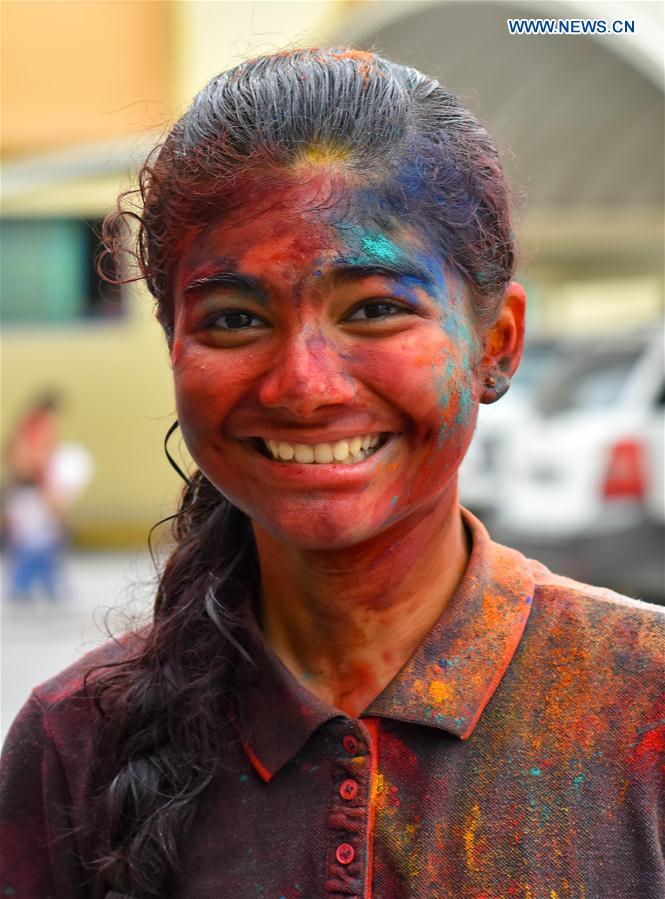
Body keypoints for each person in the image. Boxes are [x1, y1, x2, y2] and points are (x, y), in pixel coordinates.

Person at [0, 48, 662, 899]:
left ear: (496, 342)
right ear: (174, 347)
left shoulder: (641, 710)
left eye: (377, 308)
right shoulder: (72, 745)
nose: (305, 387)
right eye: (236, 319)